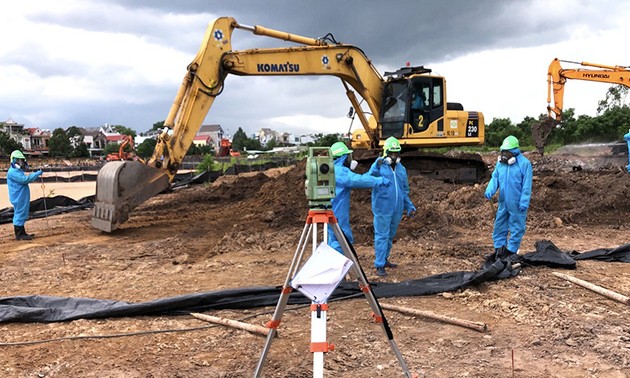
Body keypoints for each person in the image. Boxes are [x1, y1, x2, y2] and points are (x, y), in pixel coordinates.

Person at [327, 142, 391, 254]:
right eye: (348, 156)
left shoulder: (331, 170)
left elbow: (360, 178)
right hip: (337, 212)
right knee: (342, 240)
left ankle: (330, 265)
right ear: (343, 157)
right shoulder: (340, 171)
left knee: (333, 239)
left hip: (330, 210)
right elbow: (358, 180)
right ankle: (333, 267)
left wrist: (374, 167)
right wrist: (379, 181)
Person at [368, 136, 416, 276]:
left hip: (397, 208)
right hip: (382, 208)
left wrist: (409, 205)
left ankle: (385, 258)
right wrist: (376, 165)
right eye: (391, 153)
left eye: (396, 153)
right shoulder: (379, 167)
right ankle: (379, 264)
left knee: (390, 235)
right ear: (385, 152)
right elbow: (369, 178)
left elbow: (404, 190)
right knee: (382, 236)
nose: (394, 156)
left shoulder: (401, 169)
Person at [484, 135, 533, 257]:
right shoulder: (501, 164)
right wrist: (490, 189)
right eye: (503, 151)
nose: (505, 154)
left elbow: (527, 184)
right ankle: (499, 249)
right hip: (503, 201)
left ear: (515, 151)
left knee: (517, 226)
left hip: (517, 202)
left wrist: (524, 201)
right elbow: (495, 177)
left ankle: (511, 250)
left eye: (508, 151)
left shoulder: (525, 164)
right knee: (500, 224)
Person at [7, 150, 43, 240]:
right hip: (18, 196)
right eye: (20, 160)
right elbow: (24, 180)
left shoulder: (17, 171)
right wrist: (36, 174)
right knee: (20, 213)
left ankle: (22, 233)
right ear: (15, 160)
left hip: (21, 196)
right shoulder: (13, 172)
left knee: (22, 213)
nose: (21, 162)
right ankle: (19, 235)